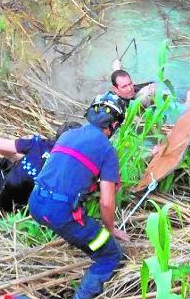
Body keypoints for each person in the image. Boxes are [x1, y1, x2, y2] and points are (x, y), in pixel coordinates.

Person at [28, 92, 129, 299]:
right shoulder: (107, 150)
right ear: (114, 125)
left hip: (36, 202)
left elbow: (63, 172)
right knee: (110, 255)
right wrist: (110, 230)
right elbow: (107, 203)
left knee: (77, 228)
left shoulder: (67, 135)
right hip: (61, 213)